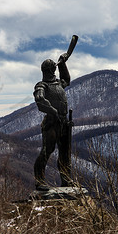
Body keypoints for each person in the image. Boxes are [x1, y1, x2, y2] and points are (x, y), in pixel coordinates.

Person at [33, 53, 74, 191]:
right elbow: (39, 100)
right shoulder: (42, 85)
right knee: (47, 151)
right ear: (50, 70)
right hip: (52, 122)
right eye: (54, 68)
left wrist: (63, 64)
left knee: (64, 153)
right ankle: (39, 180)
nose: (55, 70)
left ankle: (66, 179)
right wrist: (53, 111)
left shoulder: (58, 84)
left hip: (63, 122)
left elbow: (66, 79)